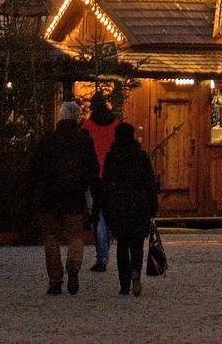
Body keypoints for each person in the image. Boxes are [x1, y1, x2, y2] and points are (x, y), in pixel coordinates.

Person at [31, 101, 100, 295]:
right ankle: (74, 264)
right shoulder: (83, 140)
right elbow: (93, 169)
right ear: (77, 117)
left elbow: (34, 168)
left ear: (60, 117)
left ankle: (55, 280)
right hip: (74, 196)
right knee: (75, 236)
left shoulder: (48, 139)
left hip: (49, 197)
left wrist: (32, 193)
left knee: (51, 238)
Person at [99, 123, 159, 296]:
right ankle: (136, 271)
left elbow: (106, 182)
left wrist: (105, 205)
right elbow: (149, 183)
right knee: (137, 243)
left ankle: (124, 284)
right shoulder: (141, 156)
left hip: (119, 204)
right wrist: (153, 206)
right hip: (139, 204)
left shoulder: (112, 157)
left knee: (122, 245)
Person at [79, 94, 117, 273]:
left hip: (93, 177)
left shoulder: (87, 126)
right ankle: (105, 250)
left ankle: (102, 256)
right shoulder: (116, 126)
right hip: (112, 178)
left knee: (97, 217)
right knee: (109, 215)